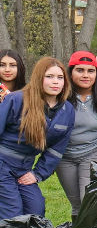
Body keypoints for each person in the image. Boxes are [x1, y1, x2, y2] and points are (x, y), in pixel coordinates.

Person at [0, 57, 75, 218]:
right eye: (49, 76)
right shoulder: (16, 100)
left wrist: (37, 174)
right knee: (12, 213)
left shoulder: (67, 110)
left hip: (24, 168)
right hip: (2, 164)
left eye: (60, 77)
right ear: (38, 78)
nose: (55, 82)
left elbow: (56, 150)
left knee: (36, 210)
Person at [57, 52, 97, 218]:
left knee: (90, 202)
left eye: (90, 70)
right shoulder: (59, 98)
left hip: (95, 153)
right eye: (80, 70)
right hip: (66, 157)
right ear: (70, 72)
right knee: (77, 206)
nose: (85, 75)